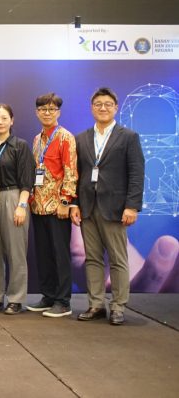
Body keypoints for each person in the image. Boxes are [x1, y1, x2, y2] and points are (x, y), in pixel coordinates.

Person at [71, 87, 145, 325]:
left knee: (117, 259)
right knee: (92, 259)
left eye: (107, 104)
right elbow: (76, 174)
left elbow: (136, 174)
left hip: (115, 208)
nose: (103, 108)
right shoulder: (81, 138)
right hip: (87, 207)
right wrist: (74, 203)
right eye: (98, 104)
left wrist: (131, 206)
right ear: (91, 108)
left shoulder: (128, 137)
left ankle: (118, 306)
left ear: (116, 107)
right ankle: (95, 305)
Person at [26, 93, 78, 318]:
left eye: (51, 109)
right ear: (36, 112)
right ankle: (48, 295)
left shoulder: (65, 137)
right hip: (38, 205)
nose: (47, 113)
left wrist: (66, 201)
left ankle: (63, 301)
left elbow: (71, 171)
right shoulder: (37, 139)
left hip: (58, 206)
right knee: (43, 253)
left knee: (60, 254)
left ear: (59, 112)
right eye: (42, 109)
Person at [0, 104, 36, 315]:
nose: (0, 122)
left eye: (4, 118)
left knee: (16, 252)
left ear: (12, 120)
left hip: (14, 197)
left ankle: (15, 298)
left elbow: (27, 180)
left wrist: (21, 206)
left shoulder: (20, 145)